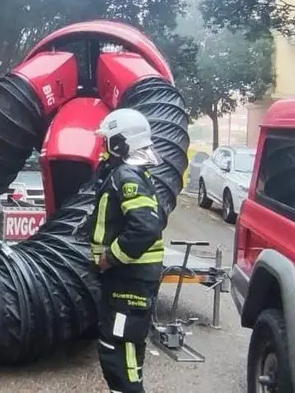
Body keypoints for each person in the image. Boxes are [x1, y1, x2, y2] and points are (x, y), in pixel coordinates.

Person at [88, 108, 166, 393]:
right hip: (128, 279)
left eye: (107, 141)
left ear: (121, 143)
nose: (103, 149)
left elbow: (145, 227)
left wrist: (110, 258)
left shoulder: (127, 176)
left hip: (128, 277)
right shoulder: (133, 174)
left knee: (120, 351)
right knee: (120, 346)